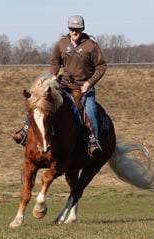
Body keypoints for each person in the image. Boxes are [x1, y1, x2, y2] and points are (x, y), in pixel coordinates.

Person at [13, 15, 107, 156]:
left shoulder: (91, 46)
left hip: (84, 87)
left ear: (82, 29)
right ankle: (25, 131)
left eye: (77, 29)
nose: (74, 32)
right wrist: (53, 74)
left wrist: (89, 83)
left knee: (91, 110)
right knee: (40, 102)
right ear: (68, 29)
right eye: (72, 29)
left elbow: (101, 66)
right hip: (64, 84)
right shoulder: (62, 44)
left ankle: (93, 141)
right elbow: (55, 62)